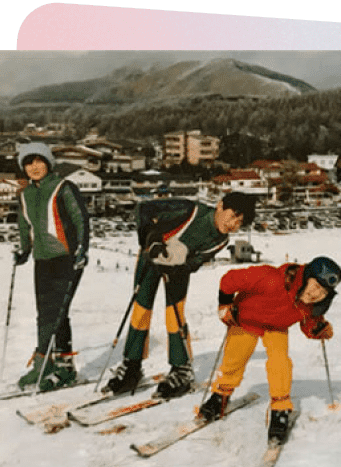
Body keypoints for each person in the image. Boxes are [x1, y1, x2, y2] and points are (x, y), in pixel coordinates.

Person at [102, 191, 257, 399]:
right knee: (141, 309)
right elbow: (145, 210)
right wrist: (152, 240)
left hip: (176, 265)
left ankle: (181, 370)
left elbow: (195, 262)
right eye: (233, 215)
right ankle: (131, 366)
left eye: (240, 222)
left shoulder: (220, 240)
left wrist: (179, 268)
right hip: (151, 256)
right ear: (220, 205)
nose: (233, 224)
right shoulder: (189, 210)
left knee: (175, 314)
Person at [198, 256, 341, 444]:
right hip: (246, 320)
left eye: (323, 292)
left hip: (276, 327)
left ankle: (280, 407)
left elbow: (309, 324)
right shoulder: (270, 278)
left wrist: (318, 330)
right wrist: (224, 304)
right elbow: (229, 280)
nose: (316, 294)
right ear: (305, 278)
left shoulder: (307, 304)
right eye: (315, 285)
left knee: (280, 363)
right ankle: (220, 395)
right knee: (235, 358)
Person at [14, 142, 90, 391]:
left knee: (54, 313)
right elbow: (25, 226)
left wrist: (82, 248)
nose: (34, 167)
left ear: (48, 163)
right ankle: (57, 365)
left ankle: (48, 366)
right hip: (42, 260)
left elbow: (80, 218)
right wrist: (24, 250)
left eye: (39, 161)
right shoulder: (25, 194)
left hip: (66, 257)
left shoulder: (63, 188)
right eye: (28, 163)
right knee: (48, 313)